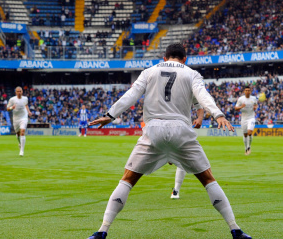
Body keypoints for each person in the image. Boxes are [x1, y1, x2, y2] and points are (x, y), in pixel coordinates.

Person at [87, 44, 251, 239]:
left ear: (164, 57)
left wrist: (110, 115)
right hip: (181, 130)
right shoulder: (192, 73)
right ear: (185, 58)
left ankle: (102, 231)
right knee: (208, 179)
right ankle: (236, 230)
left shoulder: (149, 71)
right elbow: (202, 96)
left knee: (127, 180)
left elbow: (131, 95)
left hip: (153, 130)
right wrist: (218, 115)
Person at [171, 104, 204, 199]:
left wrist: (200, 118)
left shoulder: (190, 90)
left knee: (182, 162)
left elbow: (199, 106)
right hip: (164, 127)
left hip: (183, 129)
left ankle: (176, 190)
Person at [6, 86, 32, 156]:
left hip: (23, 117)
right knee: (17, 134)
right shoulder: (12, 99)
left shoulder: (25, 98)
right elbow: (7, 108)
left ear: (22, 92)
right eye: (18, 91)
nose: (19, 92)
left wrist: (28, 111)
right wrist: (12, 107)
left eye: (20, 91)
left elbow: (26, 105)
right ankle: (20, 143)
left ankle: (22, 151)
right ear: (16, 92)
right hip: (16, 119)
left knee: (22, 132)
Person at [234, 86, 257, 155]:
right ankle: (246, 148)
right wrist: (241, 106)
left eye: (248, 90)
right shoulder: (241, 99)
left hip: (251, 118)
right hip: (244, 119)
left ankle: (249, 147)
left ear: (250, 91)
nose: (247, 91)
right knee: (245, 134)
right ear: (244, 91)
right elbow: (236, 108)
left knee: (249, 132)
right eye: (246, 90)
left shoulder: (253, 98)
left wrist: (255, 107)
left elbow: (255, 105)